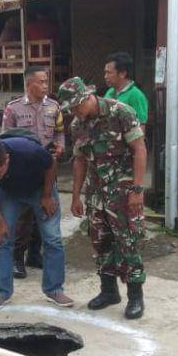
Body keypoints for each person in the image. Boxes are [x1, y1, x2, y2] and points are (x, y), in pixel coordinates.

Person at [59, 76, 148, 320]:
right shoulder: (78, 124)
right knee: (100, 241)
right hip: (96, 192)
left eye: (78, 105)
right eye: (72, 108)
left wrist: (137, 190)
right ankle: (109, 291)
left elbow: (139, 150)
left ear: (89, 96)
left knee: (128, 241)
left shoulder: (121, 112)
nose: (76, 111)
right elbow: (79, 160)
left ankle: (135, 297)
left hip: (123, 190)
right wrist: (76, 196)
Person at [0, 138, 72, 311]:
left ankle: (54, 289)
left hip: (40, 188)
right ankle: (1, 292)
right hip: (9, 193)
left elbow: (50, 165)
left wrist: (47, 196)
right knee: (1, 238)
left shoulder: (29, 152)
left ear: (7, 159)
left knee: (52, 238)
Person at [0, 66, 65, 278]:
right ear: (29, 84)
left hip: (47, 170)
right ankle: (17, 258)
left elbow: (59, 132)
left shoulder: (54, 107)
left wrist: (60, 146)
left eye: (47, 81)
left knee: (44, 213)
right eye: (41, 82)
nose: (46, 86)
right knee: (23, 216)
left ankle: (35, 254)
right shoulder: (14, 109)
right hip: (24, 172)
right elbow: (5, 140)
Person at [103, 52, 149, 125]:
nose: (105, 76)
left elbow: (140, 128)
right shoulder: (109, 92)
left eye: (109, 73)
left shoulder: (136, 95)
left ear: (122, 74)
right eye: (105, 73)